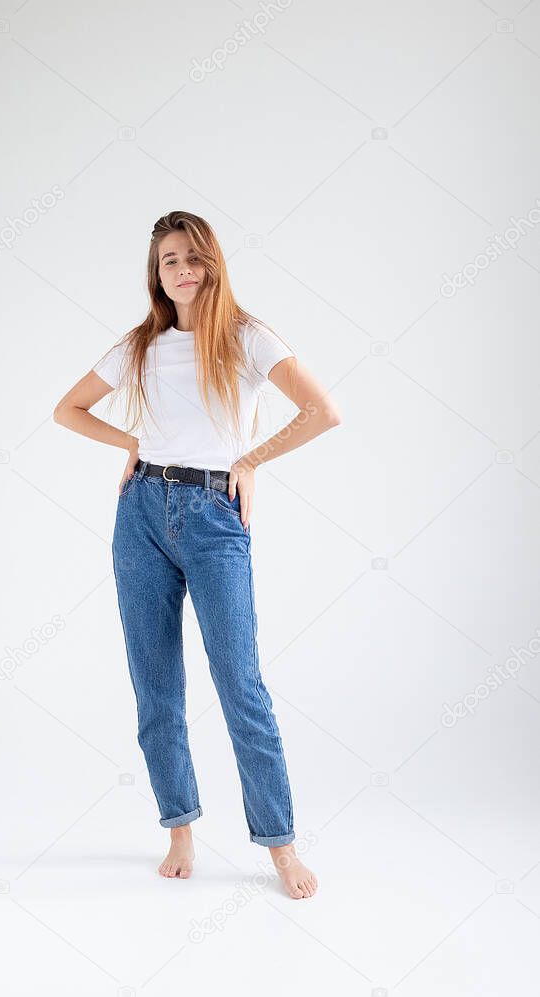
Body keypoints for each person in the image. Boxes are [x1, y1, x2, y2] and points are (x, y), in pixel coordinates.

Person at [53, 211, 341, 900]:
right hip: (142, 513)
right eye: (167, 260)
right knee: (155, 685)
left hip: (215, 516)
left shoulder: (246, 336)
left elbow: (321, 410)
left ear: (212, 262)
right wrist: (131, 443)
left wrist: (250, 459)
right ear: (155, 274)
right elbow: (68, 409)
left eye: (191, 257)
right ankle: (179, 828)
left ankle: (281, 845)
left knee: (240, 683)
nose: (180, 269)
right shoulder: (141, 345)